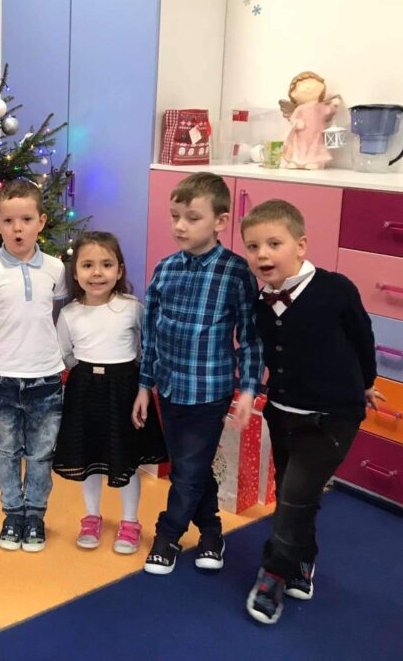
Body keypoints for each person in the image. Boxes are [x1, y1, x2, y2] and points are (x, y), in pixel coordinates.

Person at [240, 199, 381, 625]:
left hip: (331, 418)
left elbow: (362, 338)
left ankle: (273, 573)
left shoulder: (336, 289)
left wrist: (367, 383)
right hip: (282, 413)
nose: (262, 254)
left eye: (274, 243)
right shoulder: (260, 300)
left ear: (300, 245)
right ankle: (303, 559)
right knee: (297, 493)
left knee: (292, 498)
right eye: (252, 246)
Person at [134, 172, 263, 575]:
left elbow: (252, 339)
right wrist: (144, 384)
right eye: (175, 216)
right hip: (170, 387)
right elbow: (151, 333)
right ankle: (211, 532)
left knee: (188, 468)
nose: (180, 226)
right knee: (193, 465)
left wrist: (248, 390)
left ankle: (168, 535)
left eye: (192, 218)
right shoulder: (165, 269)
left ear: (220, 221)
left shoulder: (236, 273)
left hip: (210, 390)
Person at [53, 231, 168, 555]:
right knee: (88, 457)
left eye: (106, 264)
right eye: (88, 265)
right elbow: (64, 353)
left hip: (124, 391)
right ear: (76, 272)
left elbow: (146, 348)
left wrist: (143, 387)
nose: (97, 273)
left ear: (119, 270)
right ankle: (91, 516)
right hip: (84, 390)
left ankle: (130, 521)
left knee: (125, 459)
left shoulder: (131, 308)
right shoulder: (70, 313)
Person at [0, 180, 68, 553]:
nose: (18, 228)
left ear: (40, 222)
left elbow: (57, 315)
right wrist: (0, 348)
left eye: (26, 219)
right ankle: (12, 514)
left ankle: (35, 515)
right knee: (6, 450)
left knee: (41, 452)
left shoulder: (56, 268)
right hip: (2, 379)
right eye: (9, 221)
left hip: (45, 377)